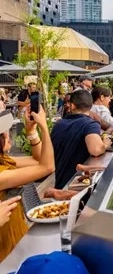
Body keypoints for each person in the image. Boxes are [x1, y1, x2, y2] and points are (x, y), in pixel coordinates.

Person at [0, 106, 55, 261]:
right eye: (5, 134)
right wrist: (44, 127)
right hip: (7, 253)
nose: (9, 137)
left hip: (17, 241)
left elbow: (37, 160)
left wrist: (32, 132)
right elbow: (47, 166)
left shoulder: (4, 160)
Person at [51, 90, 109, 189]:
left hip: (60, 182)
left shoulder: (58, 124)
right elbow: (96, 150)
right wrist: (105, 144)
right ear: (91, 106)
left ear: (72, 106)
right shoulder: (90, 124)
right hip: (77, 184)